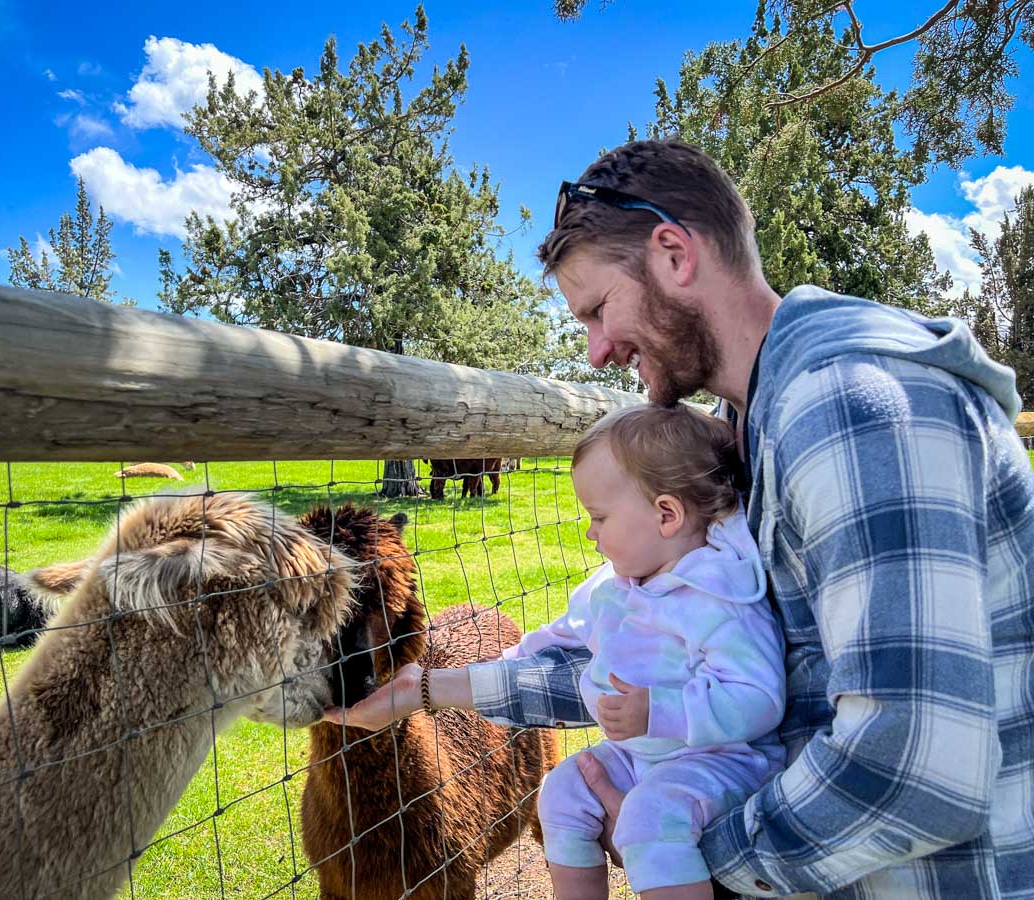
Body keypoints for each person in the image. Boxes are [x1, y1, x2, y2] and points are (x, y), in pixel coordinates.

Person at [329, 139, 1034, 899]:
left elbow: (913, 766)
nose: (597, 351)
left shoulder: (848, 411)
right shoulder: (748, 427)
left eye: (599, 309)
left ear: (673, 253)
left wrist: (687, 850)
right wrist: (420, 692)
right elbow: (655, 661)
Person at [522, 403, 786, 900]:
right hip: (647, 754)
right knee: (560, 791)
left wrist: (657, 711)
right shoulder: (633, 586)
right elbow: (573, 631)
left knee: (648, 817)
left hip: (723, 760)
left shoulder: (718, 596)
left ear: (666, 514)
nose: (590, 532)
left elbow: (759, 698)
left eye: (599, 517)